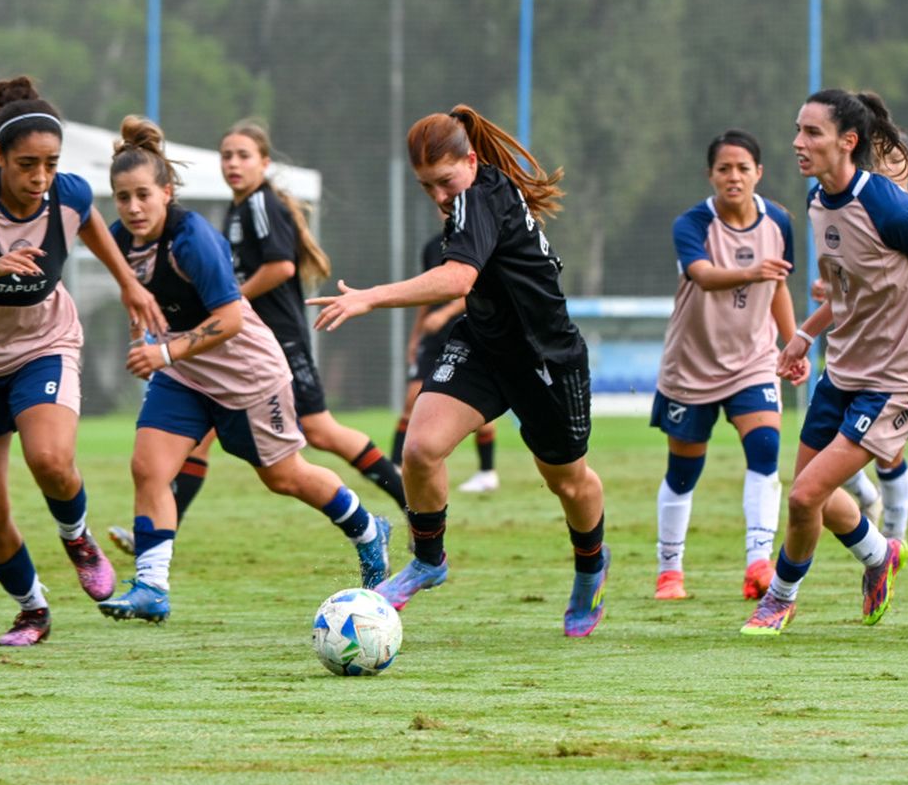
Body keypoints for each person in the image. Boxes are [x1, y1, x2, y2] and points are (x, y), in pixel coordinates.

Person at [309, 104, 610, 638]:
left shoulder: (481, 196)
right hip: (484, 345)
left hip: (546, 356)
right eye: (427, 187)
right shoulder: (469, 198)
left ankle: (591, 567)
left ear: (471, 162)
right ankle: (429, 560)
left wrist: (371, 298)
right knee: (421, 450)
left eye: (444, 182)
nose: (439, 197)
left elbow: (456, 280)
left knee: (566, 482)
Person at [95, 116, 391, 623]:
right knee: (148, 468)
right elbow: (136, 295)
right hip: (185, 375)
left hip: (248, 374)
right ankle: (152, 587)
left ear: (167, 192)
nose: (133, 207)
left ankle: (368, 529)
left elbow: (231, 319)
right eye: (122, 198)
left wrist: (162, 352)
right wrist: (141, 340)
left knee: (284, 477)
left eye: (143, 194)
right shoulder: (121, 239)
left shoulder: (193, 240)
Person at [0, 76, 166, 647]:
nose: (40, 177)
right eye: (26, 164)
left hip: (42, 345)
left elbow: (91, 220)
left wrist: (128, 284)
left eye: (50, 163)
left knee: (50, 459)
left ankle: (77, 537)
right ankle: (32, 610)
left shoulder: (65, 192)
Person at [742, 89, 908, 636]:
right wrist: (802, 335)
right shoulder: (817, 201)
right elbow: (848, 292)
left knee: (802, 497)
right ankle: (879, 555)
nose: (798, 142)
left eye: (812, 133)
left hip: (897, 382)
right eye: (798, 130)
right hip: (843, 371)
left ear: (849, 142)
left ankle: (779, 598)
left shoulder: (893, 208)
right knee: (810, 497)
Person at [649, 130, 796, 603]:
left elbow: (781, 286)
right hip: (692, 366)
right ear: (711, 175)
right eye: (724, 169)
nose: (734, 177)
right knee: (684, 471)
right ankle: (669, 571)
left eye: (742, 168)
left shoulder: (779, 221)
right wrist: (752, 272)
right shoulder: (692, 224)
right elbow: (703, 276)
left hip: (753, 360)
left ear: (759, 172)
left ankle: (758, 563)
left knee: (766, 447)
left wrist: (792, 345)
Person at [817, 132, 908, 543]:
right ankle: (866, 497)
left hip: (906, 352)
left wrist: (889, 285)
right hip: (855, 350)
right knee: (834, 449)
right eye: (880, 159)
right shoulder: (857, 210)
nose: (887, 166)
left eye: (896, 158)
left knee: (889, 453)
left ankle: (894, 535)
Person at [392, 230, 500, 493]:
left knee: (481, 412)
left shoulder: (481, 239)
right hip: (432, 337)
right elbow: (425, 293)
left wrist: (446, 313)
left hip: (468, 333)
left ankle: (487, 472)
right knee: (411, 399)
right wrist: (415, 336)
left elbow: (476, 288)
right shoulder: (432, 246)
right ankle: (394, 467)